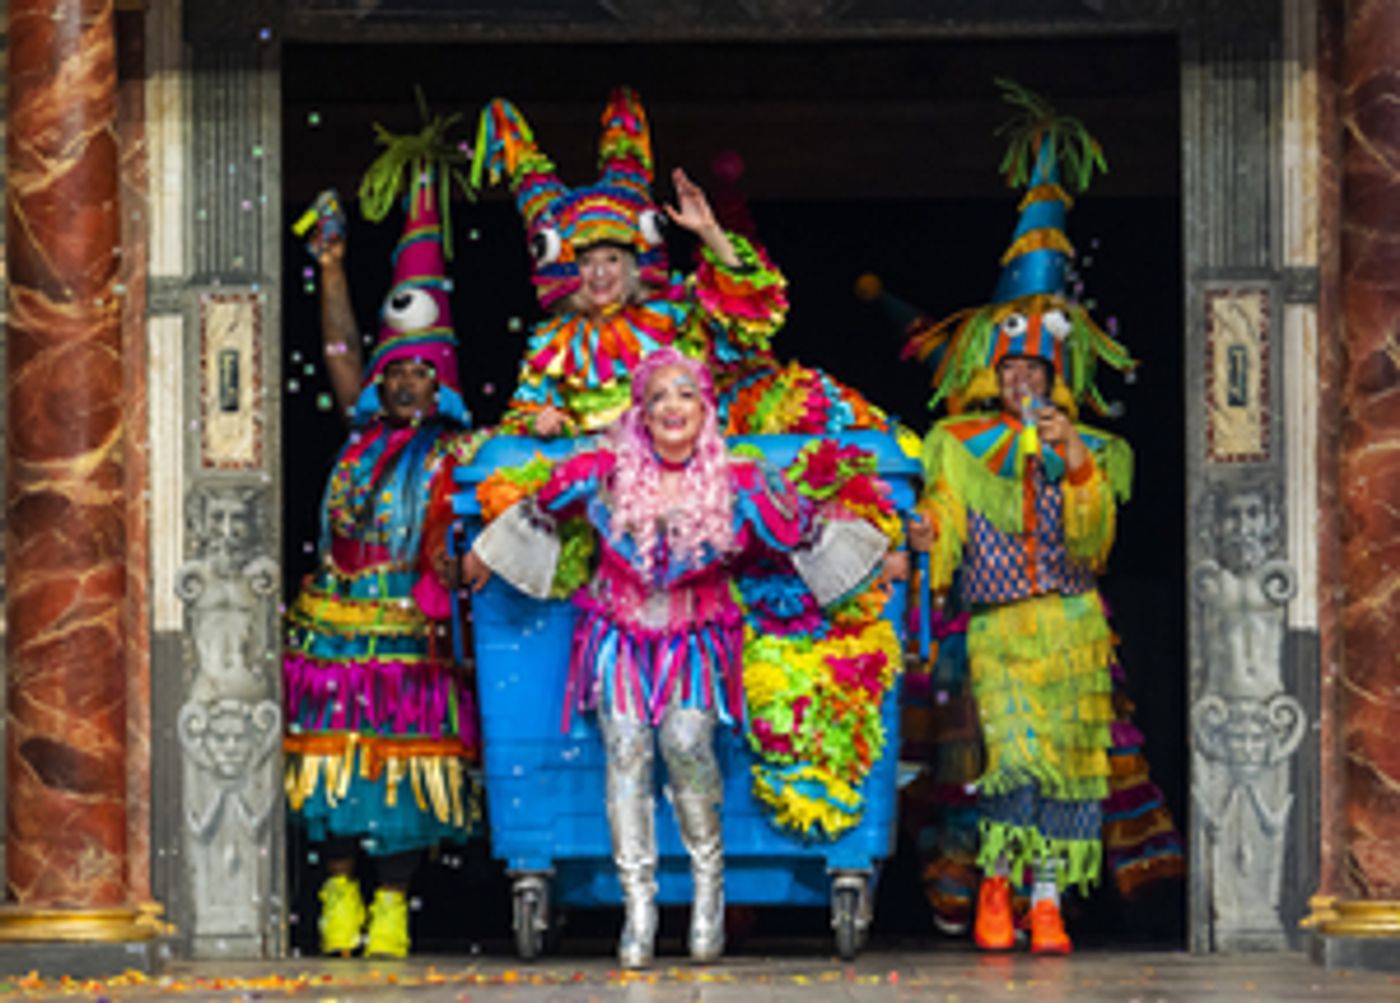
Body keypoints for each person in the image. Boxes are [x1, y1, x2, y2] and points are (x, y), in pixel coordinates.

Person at [460, 348, 893, 968]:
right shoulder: (604, 471)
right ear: (641, 411)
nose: (672, 406)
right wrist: (485, 551)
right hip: (618, 632)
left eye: (685, 394)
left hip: (695, 635)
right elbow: (543, 502)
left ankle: (708, 894)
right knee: (626, 748)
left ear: (706, 409)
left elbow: (802, 531)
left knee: (686, 742)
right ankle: (639, 910)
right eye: (659, 395)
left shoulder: (741, 480)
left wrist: (884, 559)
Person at [907, 82, 1138, 956]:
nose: (1020, 383)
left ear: (1053, 375)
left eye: (1033, 372)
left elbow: (1093, 536)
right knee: (1013, 757)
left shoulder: (1094, 449)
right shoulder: (959, 445)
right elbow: (945, 515)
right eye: (1009, 372)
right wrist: (927, 534)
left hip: (1073, 624)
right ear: (991, 373)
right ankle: (996, 889)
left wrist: (1074, 458)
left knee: (1070, 764)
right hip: (1001, 627)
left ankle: (1048, 901)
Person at [282, 118, 481, 958]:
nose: (403, 381)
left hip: (411, 630)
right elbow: (337, 348)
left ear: (441, 382)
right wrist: (331, 266)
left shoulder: (461, 453)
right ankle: (337, 894)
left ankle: (393, 907)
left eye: (419, 371)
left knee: (407, 770)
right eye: (393, 369)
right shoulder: (360, 437)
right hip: (334, 625)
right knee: (334, 766)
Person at [469, 87, 790, 437]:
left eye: (612, 258)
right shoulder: (554, 346)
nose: (600, 273)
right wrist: (539, 423)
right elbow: (519, 421)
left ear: (632, 265)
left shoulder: (677, 316)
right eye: (586, 262)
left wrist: (709, 231)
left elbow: (752, 311)